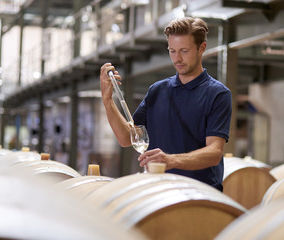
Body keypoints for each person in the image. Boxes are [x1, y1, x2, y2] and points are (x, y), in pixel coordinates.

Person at [99, 17, 232, 191]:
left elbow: (214, 152)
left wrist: (170, 160)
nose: (177, 58)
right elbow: (126, 138)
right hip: (159, 192)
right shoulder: (157, 91)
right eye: (172, 51)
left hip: (200, 195)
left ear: (202, 48)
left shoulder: (218, 94)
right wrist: (108, 101)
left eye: (184, 51)